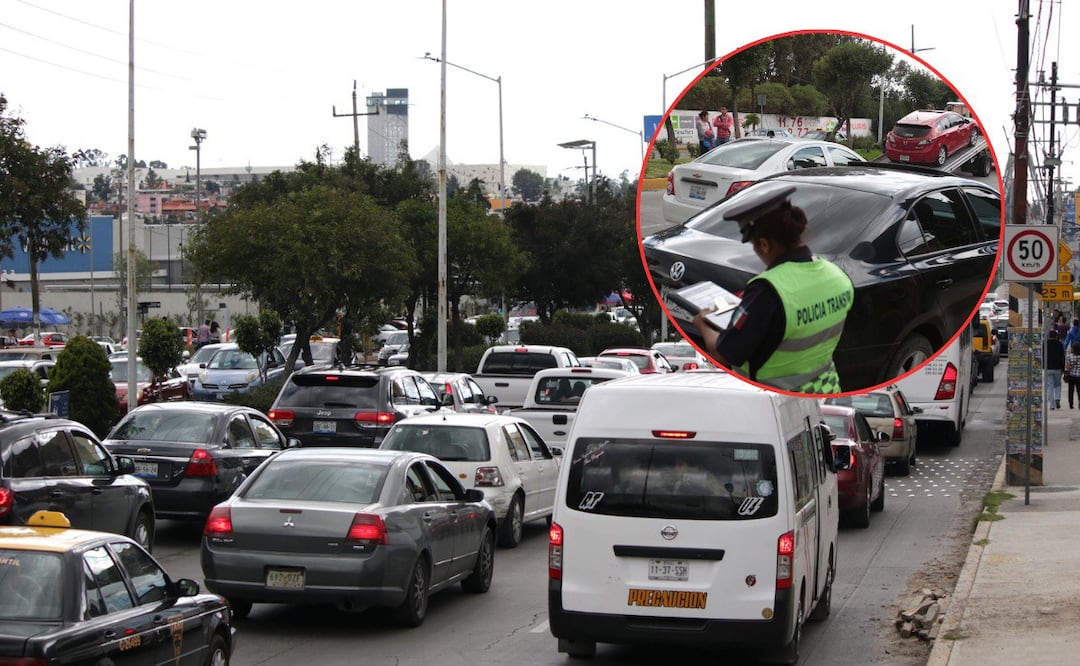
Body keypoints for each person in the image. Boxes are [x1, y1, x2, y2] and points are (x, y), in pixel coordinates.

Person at [692, 185, 854, 394]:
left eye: (753, 244)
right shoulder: (838, 276)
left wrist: (703, 323)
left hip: (773, 402)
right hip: (827, 391)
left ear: (764, 244)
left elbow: (726, 354)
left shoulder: (767, 291)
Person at [1046, 329, 1065, 410]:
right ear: (1056, 336)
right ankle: (1057, 398)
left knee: (1050, 386)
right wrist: (1063, 368)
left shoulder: (1045, 344)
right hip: (1058, 368)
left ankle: (1052, 405)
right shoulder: (1060, 344)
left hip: (1048, 368)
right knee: (1057, 384)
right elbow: (1062, 357)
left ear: (1049, 336)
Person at [1067, 342, 1080, 409]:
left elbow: (1068, 367)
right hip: (1079, 376)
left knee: (1071, 391)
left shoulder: (1069, 356)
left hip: (1071, 376)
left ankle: (1071, 404)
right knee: (1079, 390)